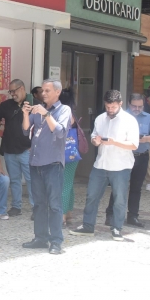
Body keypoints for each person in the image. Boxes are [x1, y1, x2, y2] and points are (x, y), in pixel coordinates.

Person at [70, 90, 139, 241]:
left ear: (120, 104)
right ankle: (88, 226)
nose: (110, 110)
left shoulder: (129, 120)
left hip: (121, 166)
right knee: (92, 196)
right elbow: (94, 136)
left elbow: (134, 144)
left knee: (120, 199)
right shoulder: (100, 118)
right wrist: (95, 141)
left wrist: (114, 142)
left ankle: (116, 228)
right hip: (100, 164)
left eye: (113, 107)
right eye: (108, 107)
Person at [21, 79, 71, 255]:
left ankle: (56, 241)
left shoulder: (64, 110)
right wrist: (26, 114)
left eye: (48, 91)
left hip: (53, 164)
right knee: (39, 204)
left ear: (57, 92)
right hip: (35, 163)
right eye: (43, 90)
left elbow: (60, 132)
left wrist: (47, 115)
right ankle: (40, 238)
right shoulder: (39, 108)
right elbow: (26, 130)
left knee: (55, 205)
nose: (44, 94)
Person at [103, 94, 150, 228]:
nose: (137, 109)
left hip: (142, 156)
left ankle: (133, 216)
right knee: (118, 187)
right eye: (134, 106)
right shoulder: (120, 117)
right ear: (128, 104)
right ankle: (110, 215)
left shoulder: (148, 118)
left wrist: (146, 139)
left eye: (140, 106)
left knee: (136, 188)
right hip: (123, 156)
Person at [0, 79, 34, 218]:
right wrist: (0, 126)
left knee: (31, 180)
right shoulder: (7, 105)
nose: (12, 94)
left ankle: (36, 208)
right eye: (10, 91)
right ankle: (16, 206)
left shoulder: (33, 103)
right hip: (9, 149)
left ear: (22, 88)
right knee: (14, 180)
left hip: (27, 149)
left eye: (13, 91)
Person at [59, 88, 80, 227]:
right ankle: (69, 212)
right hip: (73, 154)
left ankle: (62, 216)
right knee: (69, 184)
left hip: (63, 155)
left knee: (64, 185)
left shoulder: (63, 114)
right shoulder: (72, 114)